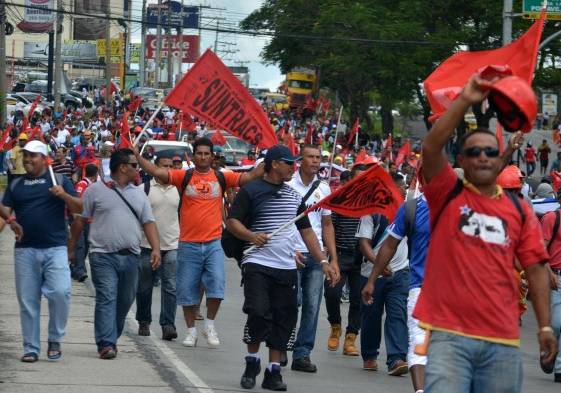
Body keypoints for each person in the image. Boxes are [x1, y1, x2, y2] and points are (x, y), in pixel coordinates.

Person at [416, 75, 557, 393]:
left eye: (491, 153)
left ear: (499, 161)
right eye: (474, 151)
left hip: (503, 342)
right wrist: (465, 99)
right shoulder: (446, 195)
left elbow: (535, 269)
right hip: (449, 338)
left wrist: (545, 325)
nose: (482, 156)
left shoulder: (521, 212)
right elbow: (430, 146)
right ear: (461, 161)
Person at [226, 145, 337, 391]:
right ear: (274, 163)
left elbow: (307, 232)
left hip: (286, 266)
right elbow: (232, 221)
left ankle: (273, 372)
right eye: (289, 163)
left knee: (283, 317)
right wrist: (251, 235)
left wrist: (324, 261)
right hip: (257, 262)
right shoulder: (251, 190)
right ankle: (252, 362)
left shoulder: (293, 196)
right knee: (257, 311)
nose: (293, 167)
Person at [134, 137, 263, 348]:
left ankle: (209, 325)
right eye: (199, 153)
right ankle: (191, 331)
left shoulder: (222, 177)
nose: (203, 157)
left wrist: (269, 157)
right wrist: (138, 156)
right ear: (193, 157)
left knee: (217, 286)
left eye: (206, 153)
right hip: (187, 243)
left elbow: (248, 177)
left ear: (212, 156)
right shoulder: (182, 176)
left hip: (213, 242)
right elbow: (157, 173)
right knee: (186, 290)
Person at [68, 149, 161, 360]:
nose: (138, 169)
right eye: (135, 165)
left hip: (131, 257)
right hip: (102, 256)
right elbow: (80, 221)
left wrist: (156, 249)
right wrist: (71, 247)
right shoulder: (95, 191)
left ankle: (112, 336)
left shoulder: (138, 193)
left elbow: (148, 223)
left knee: (125, 300)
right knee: (107, 298)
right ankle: (106, 343)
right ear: (123, 167)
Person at [0, 140, 83, 363]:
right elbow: (4, 210)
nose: (27, 160)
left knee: (60, 293)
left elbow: (81, 208)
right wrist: (10, 220)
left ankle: (55, 338)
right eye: (25, 156)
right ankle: (31, 348)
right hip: (25, 250)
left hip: (55, 248)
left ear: (44, 159)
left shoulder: (60, 180)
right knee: (28, 301)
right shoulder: (16, 184)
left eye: (32, 156)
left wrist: (63, 195)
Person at [362, 188, 430, 392]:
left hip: (455, 292)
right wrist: (372, 280)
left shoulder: (468, 210)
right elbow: (389, 245)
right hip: (419, 287)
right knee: (418, 341)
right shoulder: (411, 208)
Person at [287, 144, 339, 373]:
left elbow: (327, 225)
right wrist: (289, 249)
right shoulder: (287, 185)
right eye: (311, 157)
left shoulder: (324, 188)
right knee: (290, 302)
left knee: (312, 306)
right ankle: (279, 345)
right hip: (291, 254)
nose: (316, 161)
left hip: (317, 256)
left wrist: (332, 259)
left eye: (318, 158)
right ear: (301, 160)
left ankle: (302, 354)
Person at [355, 171, 409, 376]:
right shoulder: (372, 212)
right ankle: (369, 355)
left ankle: (396, 358)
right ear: (390, 189)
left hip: (401, 273)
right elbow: (364, 244)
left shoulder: (407, 211)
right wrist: (378, 263)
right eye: (401, 185)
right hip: (372, 274)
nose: (404, 189)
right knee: (371, 317)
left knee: (397, 315)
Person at [136, 155, 180, 341]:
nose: (168, 170)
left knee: (170, 286)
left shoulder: (179, 189)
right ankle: (144, 321)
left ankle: (168, 324)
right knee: (144, 287)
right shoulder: (143, 189)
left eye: (171, 166)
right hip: (146, 246)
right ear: (155, 167)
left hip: (171, 244)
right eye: (164, 166)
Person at [541, 188, 561, 384]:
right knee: (556, 323)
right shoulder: (551, 218)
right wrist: (549, 274)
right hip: (556, 277)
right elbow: (540, 251)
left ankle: (559, 369)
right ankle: (549, 348)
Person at [71, 163, 99, 282]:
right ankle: (80, 270)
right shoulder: (82, 184)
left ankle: (74, 267)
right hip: (80, 219)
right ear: (96, 174)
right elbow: (79, 200)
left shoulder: (93, 185)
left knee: (86, 245)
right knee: (80, 245)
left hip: (90, 220)